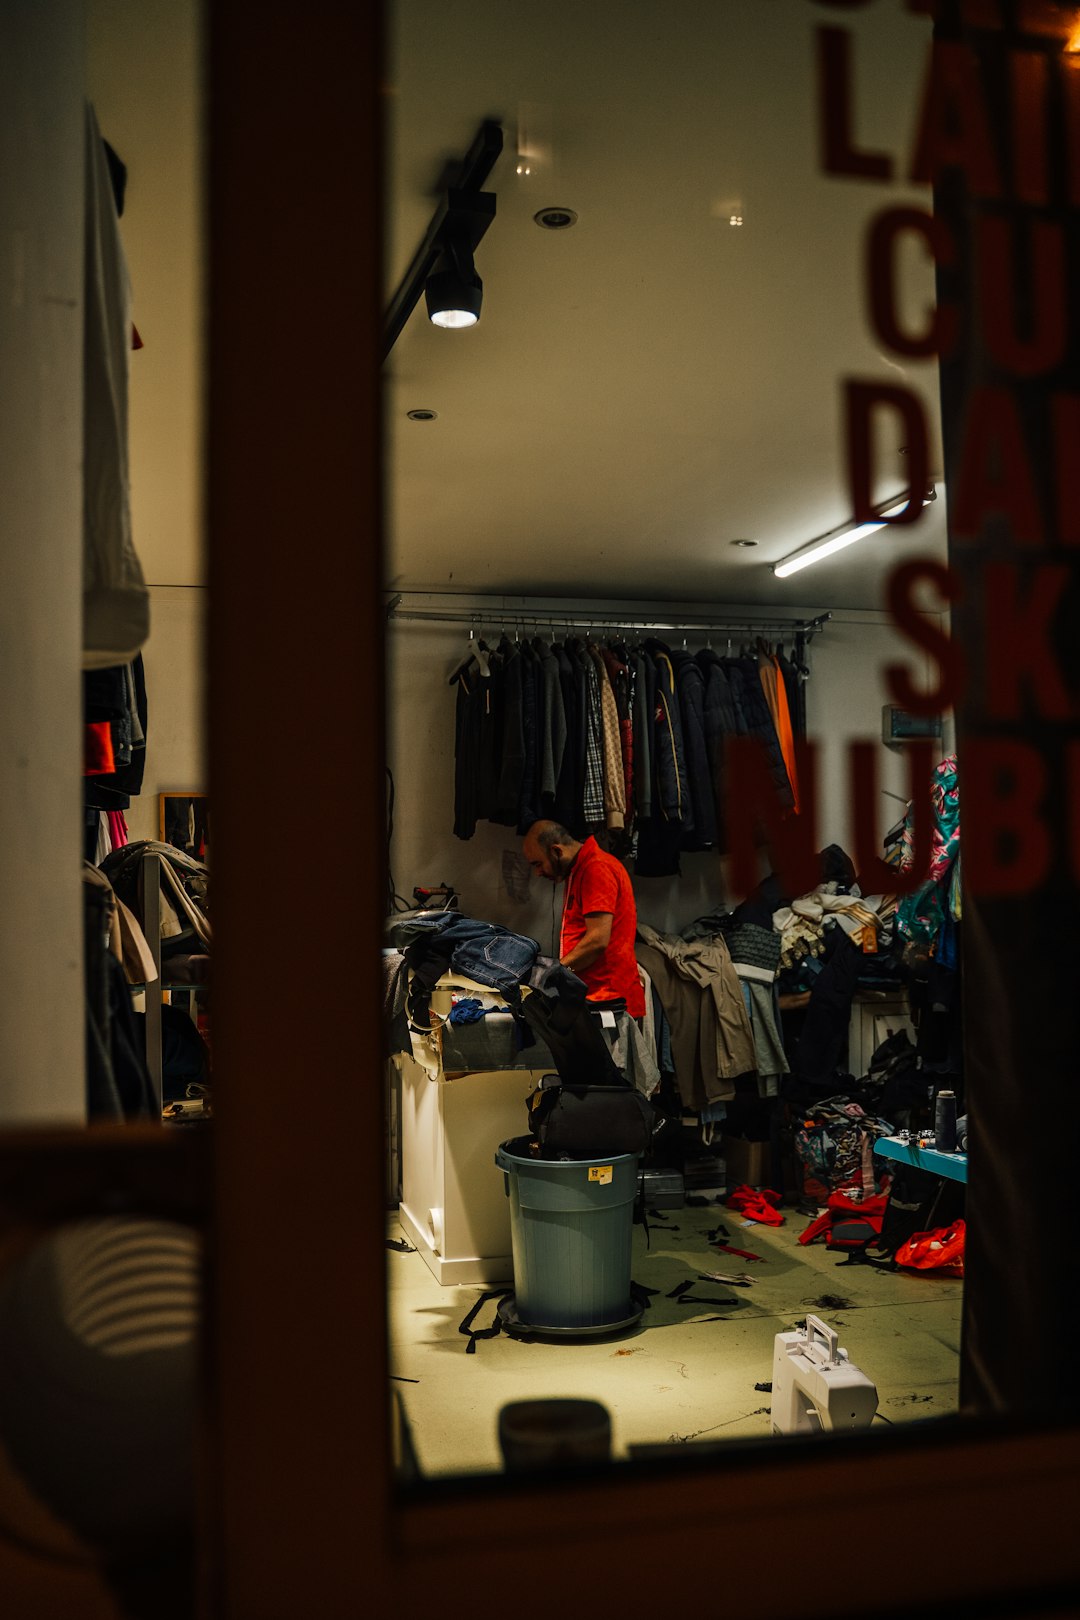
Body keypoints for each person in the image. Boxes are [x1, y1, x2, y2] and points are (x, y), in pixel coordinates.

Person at [522, 820, 645, 1017]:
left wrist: (555, 972)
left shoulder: (596, 868)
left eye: (538, 864)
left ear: (556, 851)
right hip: (593, 996)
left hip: (608, 1001)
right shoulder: (578, 870)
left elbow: (597, 941)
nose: (538, 873)